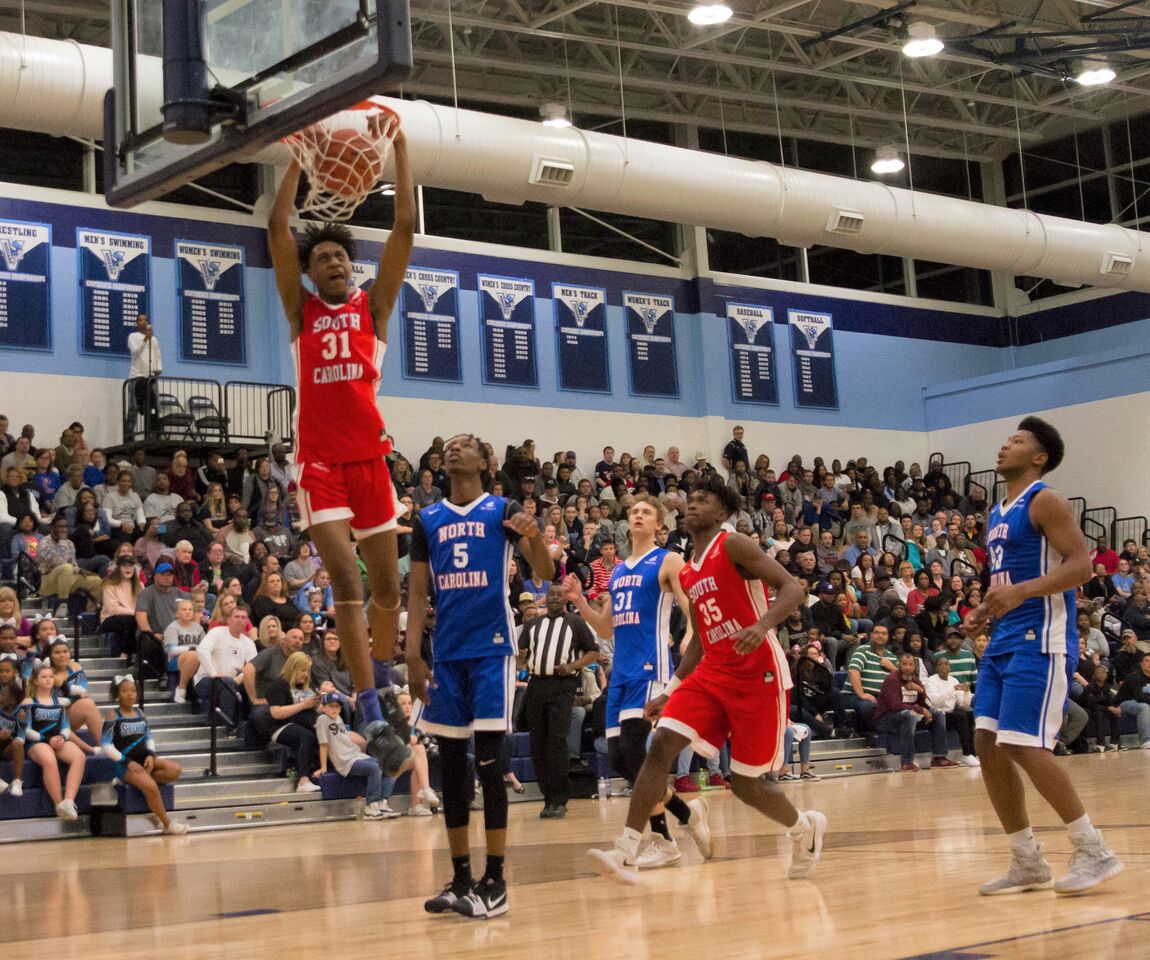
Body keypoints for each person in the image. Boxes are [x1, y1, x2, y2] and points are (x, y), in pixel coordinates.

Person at [588, 475, 826, 885]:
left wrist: (762, 625)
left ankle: (804, 828)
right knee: (659, 745)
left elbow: (792, 589)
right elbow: (699, 639)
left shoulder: (734, 545)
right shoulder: (689, 570)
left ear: (722, 512)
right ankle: (626, 850)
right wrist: (672, 690)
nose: (693, 504)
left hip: (757, 673)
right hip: (712, 673)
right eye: (691, 498)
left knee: (746, 785)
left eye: (704, 499)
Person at [268, 117, 414, 768]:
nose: (333, 262)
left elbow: (404, 228)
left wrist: (400, 149)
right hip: (320, 464)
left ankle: (379, 682)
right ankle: (371, 708)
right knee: (348, 587)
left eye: (340, 256)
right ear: (310, 271)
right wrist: (297, 158)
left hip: (370, 462)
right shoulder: (302, 313)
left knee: (388, 591)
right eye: (322, 257)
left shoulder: (371, 310)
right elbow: (277, 229)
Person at [966, 418, 1122, 896]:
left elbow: (1082, 567)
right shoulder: (998, 512)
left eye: (1017, 441)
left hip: (1042, 637)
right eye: (1006, 439)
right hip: (1004, 638)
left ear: (1038, 457)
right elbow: (1008, 582)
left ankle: (1094, 849)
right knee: (987, 744)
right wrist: (985, 610)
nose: (1004, 445)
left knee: (1022, 744)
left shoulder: (1045, 500)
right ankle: (1027, 860)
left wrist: (1022, 593)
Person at [406, 433, 553, 920]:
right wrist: (413, 656)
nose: (454, 448)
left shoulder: (503, 509)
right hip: (447, 654)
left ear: (485, 462)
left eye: (466, 444)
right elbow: (417, 593)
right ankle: (461, 877)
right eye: (450, 444)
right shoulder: (427, 518)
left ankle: (496, 880)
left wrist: (533, 534)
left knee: (490, 764)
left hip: (492, 649)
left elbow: (545, 572)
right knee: (451, 769)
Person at [564, 493, 708, 868]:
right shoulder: (618, 571)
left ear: (659, 524)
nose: (639, 515)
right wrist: (581, 602)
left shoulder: (668, 559)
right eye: (634, 511)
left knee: (633, 747)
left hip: (650, 666)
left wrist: (691, 634)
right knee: (620, 758)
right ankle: (686, 813)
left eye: (646, 512)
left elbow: (691, 603)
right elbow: (606, 627)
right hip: (621, 672)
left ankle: (662, 841)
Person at [517, 583, 600, 820]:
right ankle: (547, 797)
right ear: (546, 598)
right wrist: (522, 663)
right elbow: (521, 653)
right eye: (551, 595)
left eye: (559, 595)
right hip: (536, 685)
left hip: (563, 685)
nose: (554, 598)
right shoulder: (533, 624)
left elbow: (593, 652)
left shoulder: (575, 623)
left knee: (557, 741)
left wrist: (572, 666)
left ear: (565, 599)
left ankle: (560, 799)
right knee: (537, 742)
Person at [100, 674, 187, 834]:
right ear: (117, 694)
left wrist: (151, 755)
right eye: (125, 691)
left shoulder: (140, 712)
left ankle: (141, 781)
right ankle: (167, 824)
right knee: (151, 786)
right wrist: (128, 762)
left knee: (174, 769)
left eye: (133, 691)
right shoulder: (113, 715)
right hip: (125, 764)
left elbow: (148, 737)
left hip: (143, 759)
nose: (130, 694)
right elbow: (105, 745)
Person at [19, 659, 87, 819]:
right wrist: (48, 739)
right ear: (36, 680)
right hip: (36, 742)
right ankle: (58, 803)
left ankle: (68, 801)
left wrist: (62, 737)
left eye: (51, 676)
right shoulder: (29, 702)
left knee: (79, 756)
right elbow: (26, 729)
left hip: (57, 739)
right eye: (44, 677)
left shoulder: (60, 702)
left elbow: (66, 726)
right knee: (49, 759)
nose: (49, 679)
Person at [314, 691, 400, 819]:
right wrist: (323, 767)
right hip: (345, 761)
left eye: (337, 706)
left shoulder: (338, 719)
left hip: (355, 755)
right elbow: (323, 744)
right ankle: (371, 806)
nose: (335, 709)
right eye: (331, 706)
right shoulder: (322, 719)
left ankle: (383, 802)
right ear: (323, 707)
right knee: (375, 768)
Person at [267, 651, 324, 792]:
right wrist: (303, 705)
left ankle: (322, 774)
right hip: (282, 726)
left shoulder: (308, 685)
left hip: (307, 723)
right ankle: (303, 780)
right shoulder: (278, 686)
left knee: (325, 733)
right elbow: (276, 713)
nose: (306, 674)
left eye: (308, 671)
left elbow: (313, 711)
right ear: (292, 669)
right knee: (306, 736)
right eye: (303, 670)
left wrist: (319, 705)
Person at [193, 606, 258, 724]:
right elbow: (202, 650)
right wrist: (214, 674)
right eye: (237, 616)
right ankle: (225, 725)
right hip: (206, 680)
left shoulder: (249, 643)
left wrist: (238, 679)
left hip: (233, 682)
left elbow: (253, 668)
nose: (240, 620)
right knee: (228, 682)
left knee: (245, 685)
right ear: (229, 620)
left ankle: (246, 726)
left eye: (243, 618)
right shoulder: (217, 632)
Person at [924, 655, 979, 766]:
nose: (943, 666)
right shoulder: (931, 681)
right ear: (936, 668)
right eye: (940, 664)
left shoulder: (953, 680)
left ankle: (972, 753)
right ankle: (967, 754)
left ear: (950, 667)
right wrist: (952, 689)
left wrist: (966, 692)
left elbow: (963, 703)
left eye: (946, 664)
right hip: (936, 716)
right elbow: (935, 701)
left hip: (950, 714)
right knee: (960, 716)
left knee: (969, 714)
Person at [126, 313, 162, 438]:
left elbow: (157, 355)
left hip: (150, 377)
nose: (143, 322)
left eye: (145, 320)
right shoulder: (133, 336)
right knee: (134, 407)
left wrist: (158, 369)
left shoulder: (154, 339)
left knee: (153, 405)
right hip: (136, 377)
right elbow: (135, 352)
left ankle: (152, 434)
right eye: (140, 320)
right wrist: (145, 339)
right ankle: (129, 435)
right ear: (137, 323)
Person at [0, 652, 26, 797]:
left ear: (11, 699)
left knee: (17, 743)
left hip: (9, 747)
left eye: (3, 695)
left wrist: (9, 737)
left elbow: (21, 737)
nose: (1, 696)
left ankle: (17, 781)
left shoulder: (20, 713)